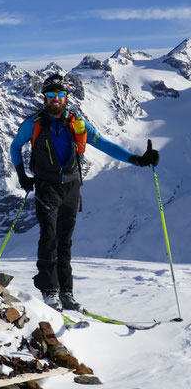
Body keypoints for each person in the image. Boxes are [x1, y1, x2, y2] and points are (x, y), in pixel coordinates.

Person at [9, 73, 159, 311]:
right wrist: (21, 175)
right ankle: (49, 290)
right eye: (51, 95)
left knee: (65, 242)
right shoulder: (34, 124)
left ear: (67, 96)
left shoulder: (77, 123)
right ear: (45, 97)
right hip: (46, 186)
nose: (56, 99)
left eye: (60, 94)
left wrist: (138, 160)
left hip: (71, 187)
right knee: (49, 238)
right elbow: (15, 146)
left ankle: (66, 292)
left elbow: (104, 144)